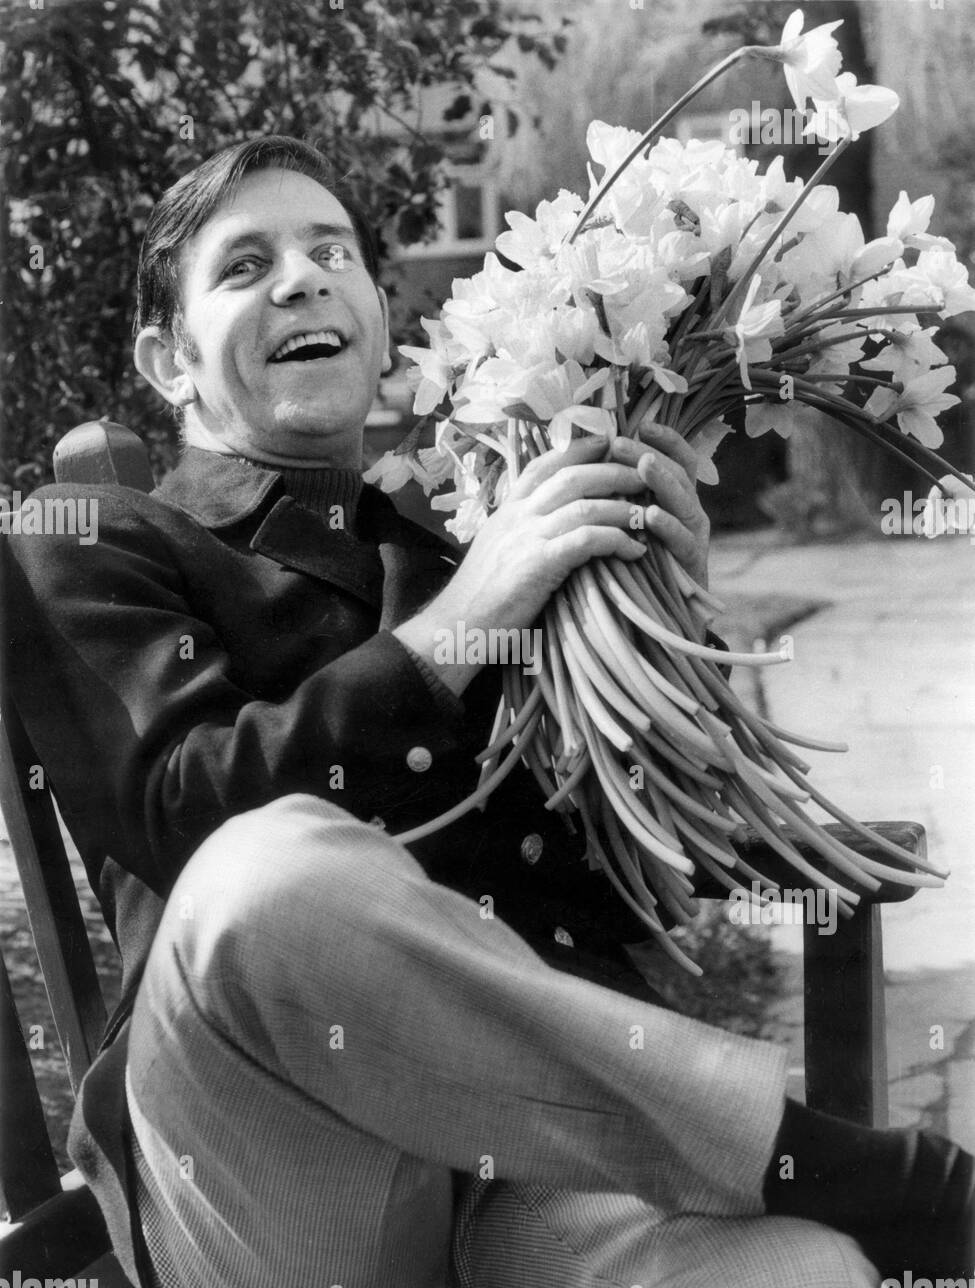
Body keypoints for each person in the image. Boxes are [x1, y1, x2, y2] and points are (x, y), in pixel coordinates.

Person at [3, 137, 971, 1288]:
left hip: (540, 1156)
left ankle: (818, 1189)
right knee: (266, 871)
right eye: (246, 265)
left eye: (332, 253)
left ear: (379, 319)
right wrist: (466, 619)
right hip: (270, 1153)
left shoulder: (479, 528)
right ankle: (855, 1168)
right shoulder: (94, 536)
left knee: (799, 1269)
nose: (304, 279)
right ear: (170, 360)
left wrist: (669, 619)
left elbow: (630, 864)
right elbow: (178, 810)